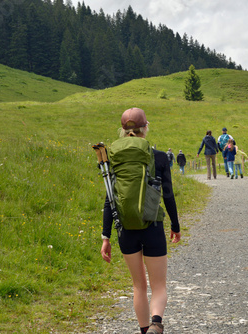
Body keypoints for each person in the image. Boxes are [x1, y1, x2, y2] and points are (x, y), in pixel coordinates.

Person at [101, 107, 181, 334]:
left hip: (125, 228)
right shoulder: (159, 157)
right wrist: (175, 226)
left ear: (123, 130)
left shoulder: (113, 156)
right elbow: (167, 194)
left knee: (138, 286)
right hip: (153, 225)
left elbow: (110, 199)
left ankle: (145, 330)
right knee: (158, 286)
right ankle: (157, 322)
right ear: (145, 128)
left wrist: (105, 236)